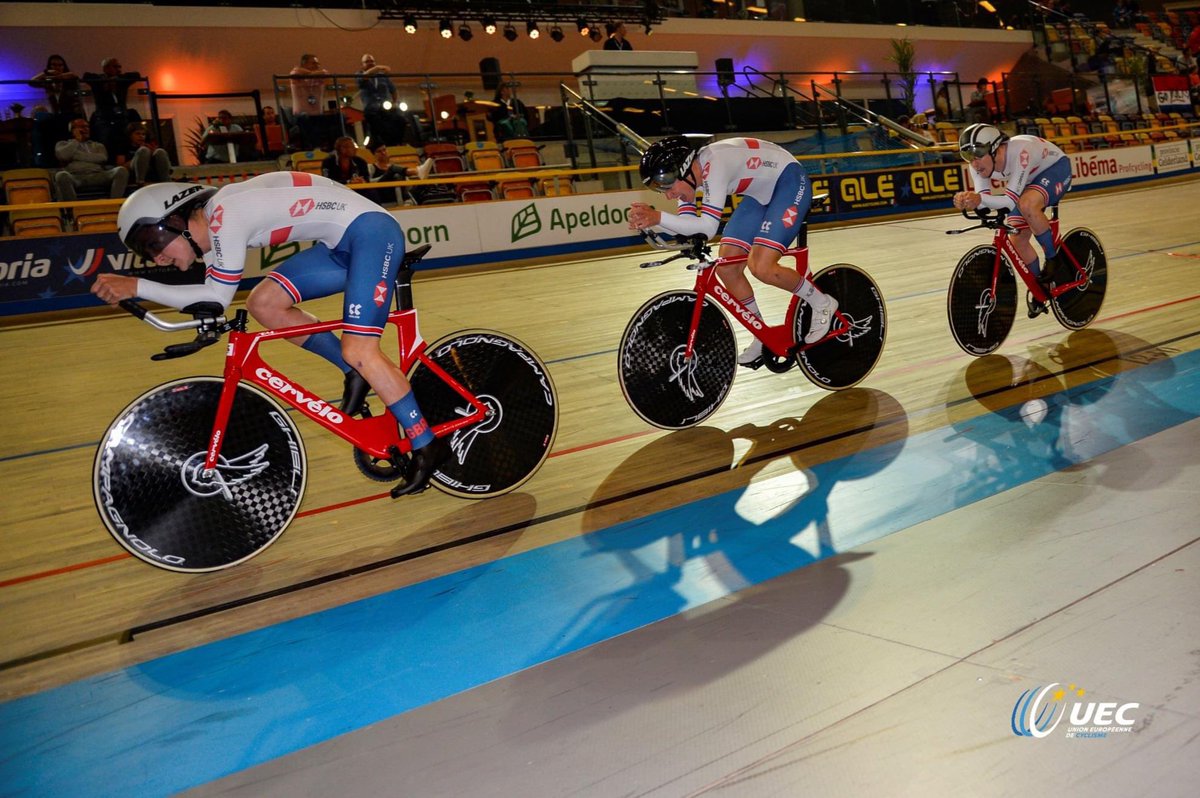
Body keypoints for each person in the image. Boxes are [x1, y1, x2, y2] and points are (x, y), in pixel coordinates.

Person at [92, 174, 448, 494]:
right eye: (146, 252)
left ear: (176, 220)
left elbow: (215, 298)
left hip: (372, 234)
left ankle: (426, 443)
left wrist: (136, 285)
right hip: (342, 246)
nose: (156, 259)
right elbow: (211, 302)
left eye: (152, 244)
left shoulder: (225, 217)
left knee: (361, 349)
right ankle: (353, 370)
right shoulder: (217, 233)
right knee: (265, 303)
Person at [627, 135, 836, 368]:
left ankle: (822, 303)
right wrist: (652, 222)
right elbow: (689, 225)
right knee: (727, 266)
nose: (668, 195)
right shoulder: (691, 176)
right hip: (760, 196)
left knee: (762, 266)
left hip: (788, 182)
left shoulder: (715, 165)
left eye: (667, 186)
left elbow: (707, 228)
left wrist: (657, 217)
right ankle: (760, 334)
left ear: (684, 168)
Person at [953, 123, 1072, 318]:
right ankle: (1041, 287)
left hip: (1056, 168)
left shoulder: (1020, 152)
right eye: (969, 157)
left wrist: (979, 199)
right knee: (1017, 238)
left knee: (1027, 204)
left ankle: (1053, 259)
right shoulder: (978, 164)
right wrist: (969, 201)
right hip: (1028, 181)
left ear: (996, 149)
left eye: (979, 156)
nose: (974, 164)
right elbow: (984, 202)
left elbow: (1008, 201)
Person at [54, 117, 130, 201]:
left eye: (87, 127)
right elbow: (63, 156)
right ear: (72, 130)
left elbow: (102, 158)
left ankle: (114, 203)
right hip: (76, 176)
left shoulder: (97, 145)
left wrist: (75, 156)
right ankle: (73, 210)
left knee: (121, 170)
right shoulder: (63, 144)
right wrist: (77, 141)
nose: (86, 129)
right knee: (61, 175)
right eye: (82, 127)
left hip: (98, 175)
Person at [28, 54, 84, 167]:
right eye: (54, 65)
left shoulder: (69, 79)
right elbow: (31, 82)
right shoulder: (48, 82)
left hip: (71, 116)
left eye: (60, 65)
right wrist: (46, 73)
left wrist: (57, 75)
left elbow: (73, 75)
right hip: (56, 116)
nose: (57, 67)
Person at [82, 57, 143, 159]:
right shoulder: (98, 81)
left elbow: (137, 75)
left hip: (121, 118)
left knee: (124, 141)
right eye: (115, 67)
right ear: (106, 68)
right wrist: (105, 80)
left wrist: (117, 78)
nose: (119, 69)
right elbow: (85, 76)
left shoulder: (121, 80)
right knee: (105, 141)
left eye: (119, 67)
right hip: (104, 119)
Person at [356, 53, 405, 147]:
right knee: (378, 127)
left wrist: (394, 102)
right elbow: (363, 78)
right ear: (362, 64)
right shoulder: (359, 74)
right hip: (371, 109)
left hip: (386, 107)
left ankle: (397, 143)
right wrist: (378, 68)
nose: (370, 63)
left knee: (400, 120)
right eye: (367, 62)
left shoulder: (382, 76)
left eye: (372, 61)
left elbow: (393, 90)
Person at [289, 53, 330, 150]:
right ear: (304, 64)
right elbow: (295, 72)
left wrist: (313, 74)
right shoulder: (297, 75)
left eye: (318, 64)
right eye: (313, 63)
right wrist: (311, 73)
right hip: (302, 116)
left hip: (317, 115)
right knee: (306, 125)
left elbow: (326, 73)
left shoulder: (318, 76)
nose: (317, 66)